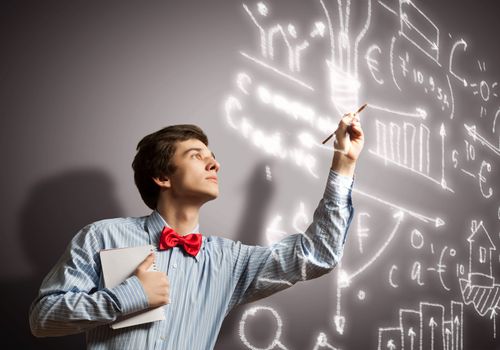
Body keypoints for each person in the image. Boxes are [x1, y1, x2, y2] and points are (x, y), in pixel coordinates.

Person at [29, 111, 364, 349]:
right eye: (196, 155)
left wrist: (343, 164)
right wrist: (128, 297)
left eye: (213, 156)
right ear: (162, 177)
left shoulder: (230, 261)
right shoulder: (102, 237)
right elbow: (42, 319)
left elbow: (318, 255)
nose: (214, 163)